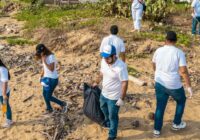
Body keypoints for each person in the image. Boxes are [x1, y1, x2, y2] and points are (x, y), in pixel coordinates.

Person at [152, 31, 193, 137]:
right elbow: (183, 71)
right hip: (173, 84)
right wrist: (188, 86)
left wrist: (157, 73)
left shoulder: (158, 50)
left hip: (159, 83)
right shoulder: (179, 52)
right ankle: (176, 123)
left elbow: (153, 63)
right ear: (175, 41)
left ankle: (157, 130)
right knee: (181, 100)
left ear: (165, 40)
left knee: (160, 106)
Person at [94, 45, 128, 140]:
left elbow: (124, 83)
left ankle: (112, 135)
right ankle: (108, 122)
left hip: (114, 97)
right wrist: (96, 82)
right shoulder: (104, 61)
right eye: (104, 57)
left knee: (113, 116)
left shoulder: (121, 66)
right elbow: (101, 73)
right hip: (104, 93)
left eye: (107, 57)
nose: (105, 59)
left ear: (114, 56)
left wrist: (121, 98)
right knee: (103, 108)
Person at [35, 44, 67, 114]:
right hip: (46, 78)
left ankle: (63, 104)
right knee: (44, 94)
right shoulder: (43, 56)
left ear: (44, 50)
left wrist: (45, 61)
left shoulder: (51, 56)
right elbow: (44, 68)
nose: (40, 53)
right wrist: (41, 76)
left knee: (48, 96)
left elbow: (52, 69)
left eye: (41, 52)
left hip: (52, 79)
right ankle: (49, 108)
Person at [0, 59, 13, 128]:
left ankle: (9, 121)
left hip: (3, 92)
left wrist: (4, 93)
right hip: (0, 93)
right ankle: (7, 117)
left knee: (6, 106)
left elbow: (5, 82)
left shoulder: (2, 69)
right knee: (4, 106)